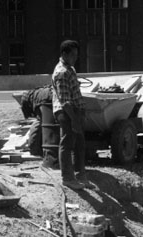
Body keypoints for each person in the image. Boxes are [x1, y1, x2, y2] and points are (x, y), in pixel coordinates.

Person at [51, 40, 91, 190]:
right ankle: (68, 178)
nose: (75, 58)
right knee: (67, 144)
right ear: (64, 54)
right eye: (72, 55)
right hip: (67, 112)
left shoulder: (70, 69)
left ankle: (80, 176)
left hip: (75, 111)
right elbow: (65, 101)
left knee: (79, 143)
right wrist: (74, 119)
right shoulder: (62, 72)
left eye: (76, 55)